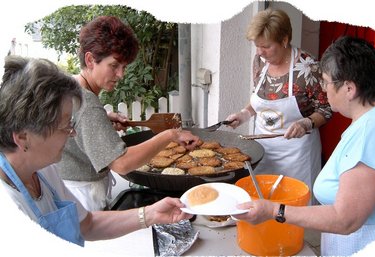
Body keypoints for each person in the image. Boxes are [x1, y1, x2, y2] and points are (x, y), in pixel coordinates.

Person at [0, 56, 193, 247]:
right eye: (65, 126)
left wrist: (150, 214)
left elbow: (87, 225)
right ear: (23, 137)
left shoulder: (43, 171)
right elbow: (121, 163)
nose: (73, 133)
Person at [233, 36, 375, 256]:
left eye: (326, 82)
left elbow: (345, 219)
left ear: (349, 89)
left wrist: (274, 210)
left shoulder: (374, 131)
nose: (324, 89)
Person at [56, 16, 199, 211]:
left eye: (124, 67)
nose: (121, 75)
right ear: (90, 60)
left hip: (66, 189)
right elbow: (122, 163)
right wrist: (171, 135)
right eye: (114, 65)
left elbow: (74, 124)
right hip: (82, 197)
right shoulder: (87, 104)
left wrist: (104, 119)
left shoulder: (70, 86)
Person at [226, 8, 332, 203]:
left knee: (294, 208)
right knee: (262, 204)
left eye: (265, 46)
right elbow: (258, 96)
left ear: (284, 40)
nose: (259, 52)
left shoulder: (307, 68)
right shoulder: (260, 61)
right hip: (262, 151)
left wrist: (306, 124)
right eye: (257, 46)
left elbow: (325, 109)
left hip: (297, 155)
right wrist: (244, 114)